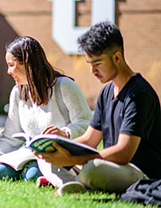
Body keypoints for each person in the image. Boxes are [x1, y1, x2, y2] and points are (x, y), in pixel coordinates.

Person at [36, 22, 161, 195]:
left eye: (97, 63)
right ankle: (74, 183)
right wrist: (57, 146)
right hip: (111, 165)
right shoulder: (106, 92)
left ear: (117, 57)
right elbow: (89, 140)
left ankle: (71, 181)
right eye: (89, 63)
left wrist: (72, 159)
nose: (92, 70)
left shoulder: (139, 94)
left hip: (140, 173)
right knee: (47, 158)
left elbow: (124, 152)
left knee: (93, 169)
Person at [0, 36, 92, 182]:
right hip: (28, 153)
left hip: (58, 152)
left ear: (27, 63)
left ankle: (35, 172)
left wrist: (65, 133)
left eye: (11, 65)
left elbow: (87, 123)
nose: (8, 71)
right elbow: (10, 138)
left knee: (32, 175)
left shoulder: (64, 86)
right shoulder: (17, 92)